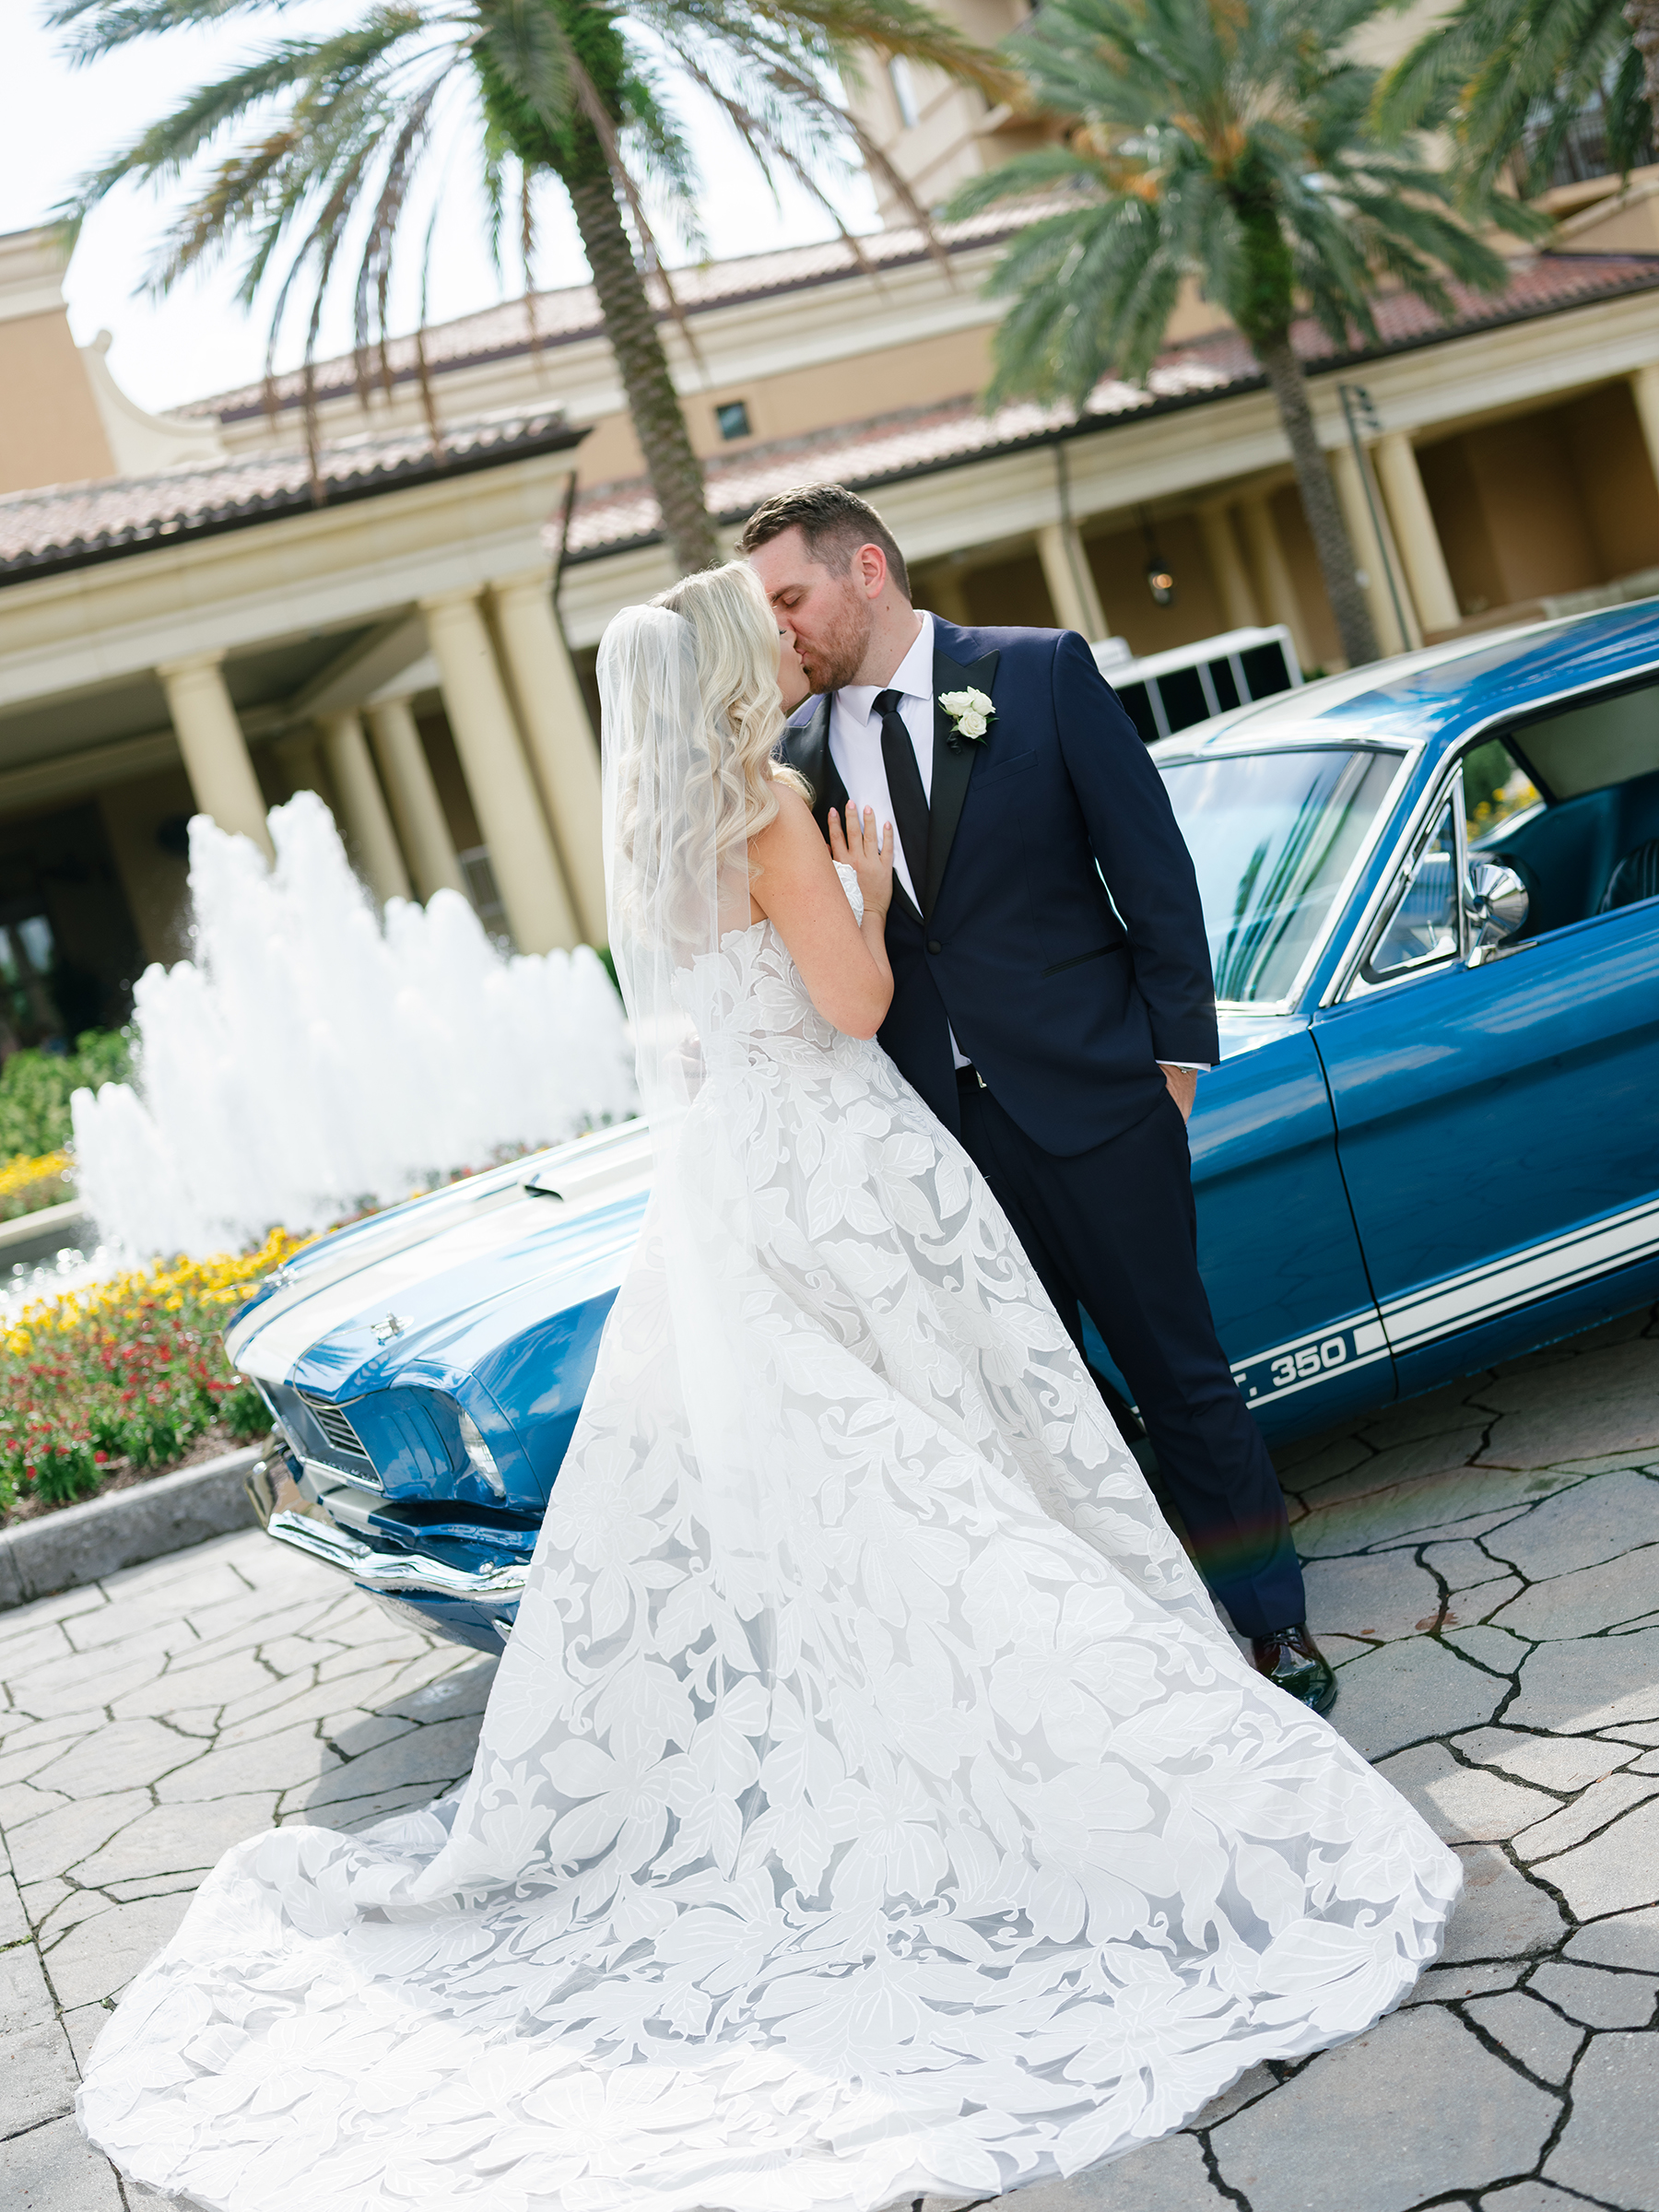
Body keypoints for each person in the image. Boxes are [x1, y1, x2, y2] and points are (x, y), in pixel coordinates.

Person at [79, 563, 1457, 2212]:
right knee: (957, 1452)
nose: (789, 641)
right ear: (738, 666)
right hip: (858, 1169)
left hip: (739, 1192)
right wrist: (864, 886)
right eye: (767, 629)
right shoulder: (768, 807)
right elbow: (854, 1004)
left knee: (841, 1490)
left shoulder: (654, 832)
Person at [743, 483, 1335, 1711]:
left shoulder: (1040, 674)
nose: (780, 631)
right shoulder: (793, 764)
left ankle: (1273, 1626)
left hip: (1101, 1104)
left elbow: (1158, 884)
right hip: (936, 1144)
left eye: (790, 599)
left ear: (864, 569)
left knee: (1182, 1376)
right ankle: (1136, 1662)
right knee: (1038, 1408)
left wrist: (1168, 1079)